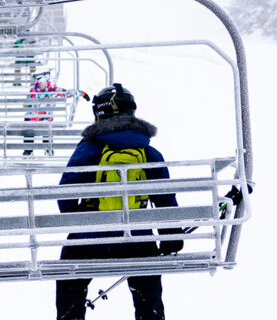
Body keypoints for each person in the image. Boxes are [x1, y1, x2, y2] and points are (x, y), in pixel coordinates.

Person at [54, 83, 182, 320]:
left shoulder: (89, 149)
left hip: (90, 238)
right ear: (132, 113)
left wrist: (79, 222)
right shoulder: (148, 152)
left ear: (99, 115)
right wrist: (170, 237)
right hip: (138, 240)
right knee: (148, 284)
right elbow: (165, 199)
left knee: (70, 281)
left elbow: (66, 193)